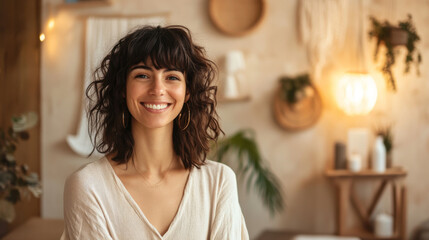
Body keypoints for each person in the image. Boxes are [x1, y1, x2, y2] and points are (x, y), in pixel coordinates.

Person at [60, 25, 249, 240]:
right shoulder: (88, 185)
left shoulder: (219, 182)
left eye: (172, 77)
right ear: (122, 88)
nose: (157, 89)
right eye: (142, 75)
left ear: (187, 92)